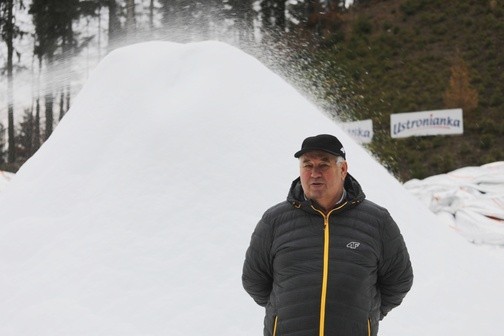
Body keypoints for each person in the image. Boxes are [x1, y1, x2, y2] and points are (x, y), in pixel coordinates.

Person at [242, 134, 413, 336]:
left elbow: (399, 279)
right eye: (307, 165)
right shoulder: (275, 221)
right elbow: (254, 279)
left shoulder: (377, 221)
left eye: (323, 165)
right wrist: (281, 311)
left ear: (343, 169)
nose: (315, 173)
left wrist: (367, 314)